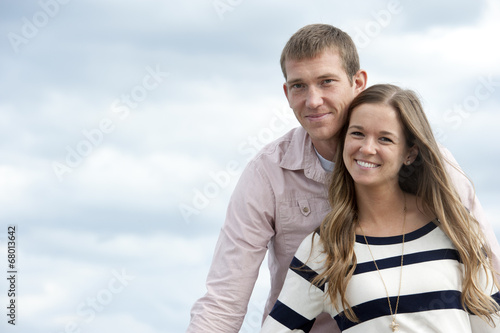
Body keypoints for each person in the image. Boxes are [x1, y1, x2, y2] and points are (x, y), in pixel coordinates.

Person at [187, 24, 500, 333]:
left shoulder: (434, 166)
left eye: (326, 82)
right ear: (286, 93)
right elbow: (223, 303)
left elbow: (487, 277)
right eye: (299, 86)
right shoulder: (268, 176)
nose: (313, 100)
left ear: (358, 82)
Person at [260, 84, 500, 332]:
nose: (367, 148)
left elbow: (491, 324)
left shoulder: (454, 226)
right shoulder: (325, 246)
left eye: (385, 138)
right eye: (357, 134)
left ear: (410, 153)